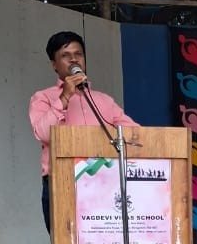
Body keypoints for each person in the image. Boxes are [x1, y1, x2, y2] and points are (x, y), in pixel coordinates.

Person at [29, 31, 139, 232]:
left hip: (104, 182)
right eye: (65, 55)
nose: (73, 59)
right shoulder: (43, 98)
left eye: (78, 54)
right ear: (54, 65)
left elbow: (136, 135)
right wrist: (65, 97)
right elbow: (44, 134)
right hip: (62, 182)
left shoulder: (104, 100)